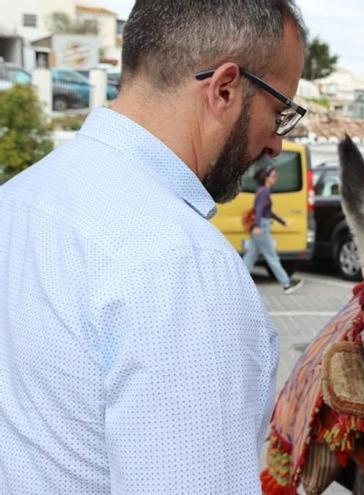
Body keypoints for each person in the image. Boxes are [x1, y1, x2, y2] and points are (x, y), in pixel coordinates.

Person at [0, 1, 307, 493]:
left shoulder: (18, 199)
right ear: (224, 88)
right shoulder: (183, 262)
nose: (276, 143)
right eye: (279, 111)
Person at [244, 164, 304, 293]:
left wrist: (281, 221)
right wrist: (258, 226)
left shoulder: (261, 190)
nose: (275, 179)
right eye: (273, 176)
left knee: (251, 256)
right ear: (266, 178)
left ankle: (237, 280)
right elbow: (259, 210)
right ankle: (286, 284)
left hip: (261, 226)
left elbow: (267, 211)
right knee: (272, 257)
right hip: (262, 227)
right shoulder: (264, 191)